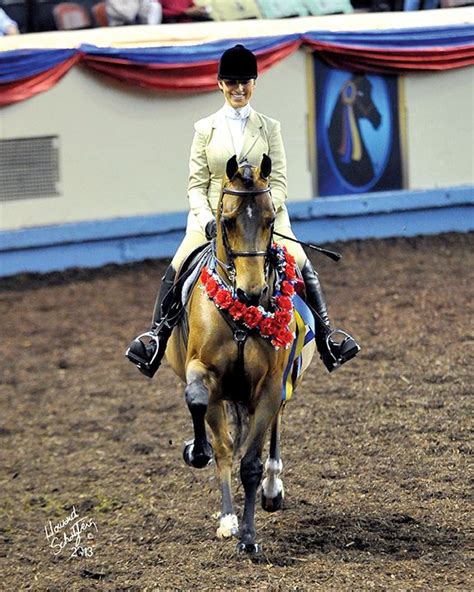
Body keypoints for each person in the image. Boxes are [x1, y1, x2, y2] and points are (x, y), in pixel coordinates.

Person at [126, 44, 360, 378]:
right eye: (232, 82)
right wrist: (208, 220)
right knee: (178, 267)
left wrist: (266, 212)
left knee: (303, 263)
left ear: (254, 83)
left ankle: (328, 338)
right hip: (213, 218)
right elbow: (195, 185)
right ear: (220, 84)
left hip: (266, 218)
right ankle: (155, 338)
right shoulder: (205, 129)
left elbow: (278, 181)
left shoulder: (270, 127)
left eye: (245, 81)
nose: (239, 88)